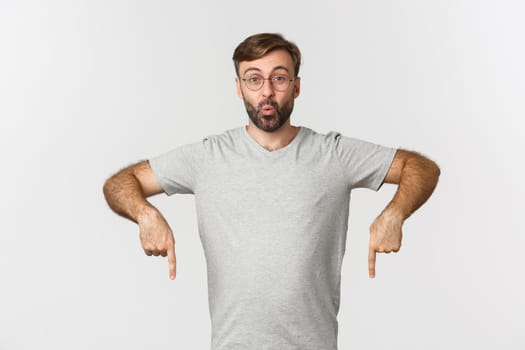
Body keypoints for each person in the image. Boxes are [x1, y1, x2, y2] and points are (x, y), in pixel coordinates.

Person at [103, 33, 440, 350]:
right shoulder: (208, 157)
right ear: (239, 88)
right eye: (254, 79)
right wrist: (145, 214)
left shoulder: (333, 154)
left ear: (296, 86)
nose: (266, 92)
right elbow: (121, 183)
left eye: (279, 78)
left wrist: (394, 213)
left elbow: (421, 168)